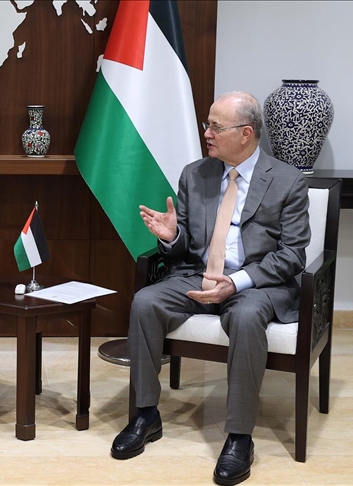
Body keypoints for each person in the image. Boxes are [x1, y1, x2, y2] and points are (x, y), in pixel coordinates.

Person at [110, 92, 310, 486]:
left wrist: (236, 282)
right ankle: (145, 415)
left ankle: (239, 437)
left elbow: (293, 256)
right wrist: (172, 236)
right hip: (197, 275)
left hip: (255, 284)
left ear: (246, 133)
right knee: (145, 302)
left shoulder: (287, 181)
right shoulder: (195, 174)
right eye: (207, 124)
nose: (207, 133)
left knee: (247, 317)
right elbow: (186, 244)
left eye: (216, 127)